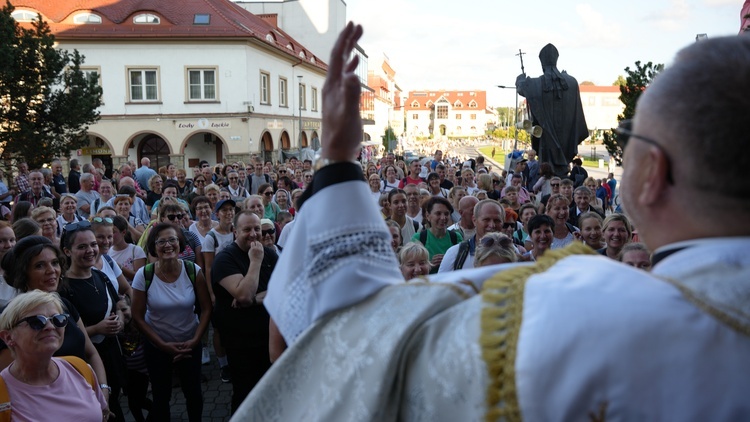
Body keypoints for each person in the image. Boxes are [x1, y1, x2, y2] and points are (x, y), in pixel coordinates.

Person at [237, 28, 750, 421]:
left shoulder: (573, 311)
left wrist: (339, 159)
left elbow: (342, 345)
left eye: (631, 135)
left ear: (654, 174)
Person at [131, 223, 211, 422]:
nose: (168, 245)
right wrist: (162, 345)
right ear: (153, 246)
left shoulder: (193, 270)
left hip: (189, 343)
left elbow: (207, 308)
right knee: (161, 397)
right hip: (157, 346)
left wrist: (195, 341)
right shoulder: (144, 275)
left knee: (193, 394)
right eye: (161, 241)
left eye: (172, 239)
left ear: (180, 243)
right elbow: (138, 316)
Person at [0, 290, 109, 420]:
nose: (50, 326)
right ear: (8, 337)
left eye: (58, 319)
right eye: (37, 321)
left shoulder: (80, 369)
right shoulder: (3, 393)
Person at [211, 210, 278, 413]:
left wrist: (255, 299)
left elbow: (283, 288)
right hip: (241, 342)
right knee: (245, 395)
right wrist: (256, 260)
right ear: (234, 231)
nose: (254, 234)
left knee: (270, 392)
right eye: (247, 229)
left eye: (257, 228)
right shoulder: (225, 259)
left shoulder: (271, 254)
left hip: (267, 338)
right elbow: (243, 295)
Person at [59, 222, 125, 421]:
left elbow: (119, 304)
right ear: (67, 251)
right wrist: (97, 329)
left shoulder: (100, 275)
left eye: (93, 244)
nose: (91, 251)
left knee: (115, 403)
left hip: (113, 355)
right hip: (87, 364)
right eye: (82, 247)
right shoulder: (64, 289)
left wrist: (120, 320)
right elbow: (64, 338)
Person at [516, 43, 588, 177]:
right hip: (566, 137)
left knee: (547, 168)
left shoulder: (536, 83)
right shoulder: (571, 82)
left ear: (542, 64)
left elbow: (522, 87)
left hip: (547, 138)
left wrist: (520, 79)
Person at [439, 199, 504, 272]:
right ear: (474, 220)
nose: (492, 225)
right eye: (486, 220)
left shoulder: (514, 252)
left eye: (497, 220)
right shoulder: (455, 254)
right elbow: (441, 283)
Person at [411, 196, 462, 273]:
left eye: (446, 214)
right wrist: (429, 265)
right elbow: (411, 266)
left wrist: (447, 261)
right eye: (438, 214)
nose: (443, 218)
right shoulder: (419, 238)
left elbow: (462, 265)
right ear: (428, 216)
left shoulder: (456, 237)